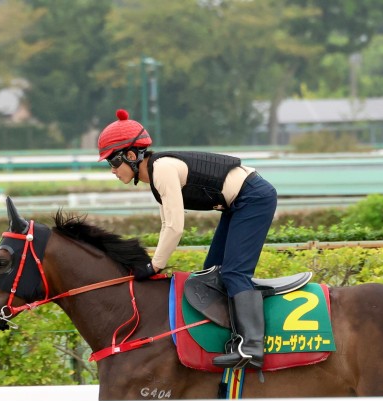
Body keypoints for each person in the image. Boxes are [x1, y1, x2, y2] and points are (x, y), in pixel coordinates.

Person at [96, 109, 278, 370]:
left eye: (113, 162)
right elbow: (165, 225)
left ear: (132, 156)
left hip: (253, 198)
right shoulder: (156, 176)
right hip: (239, 201)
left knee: (234, 273)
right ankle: (230, 338)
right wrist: (153, 262)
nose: (112, 171)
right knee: (212, 272)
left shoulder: (162, 169)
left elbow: (175, 228)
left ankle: (251, 347)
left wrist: (154, 266)